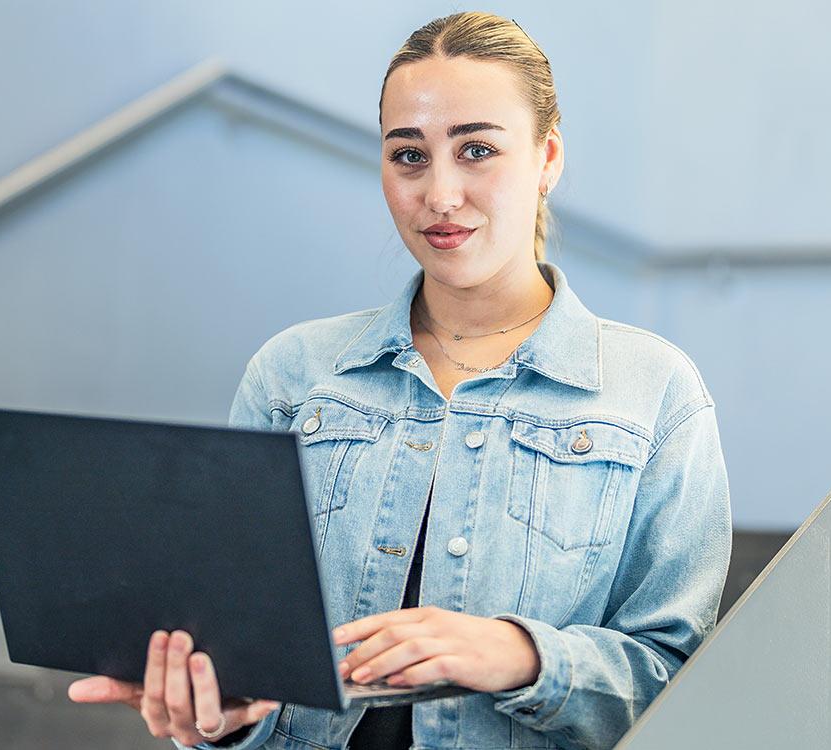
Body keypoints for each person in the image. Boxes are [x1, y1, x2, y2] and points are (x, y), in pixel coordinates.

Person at [68, 11, 731, 749]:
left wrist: (518, 655)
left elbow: (682, 683)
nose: (440, 195)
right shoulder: (293, 375)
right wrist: (222, 720)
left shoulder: (653, 391)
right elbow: (244, 658)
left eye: (476, 149)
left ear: (547, 159)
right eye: (409, 156)